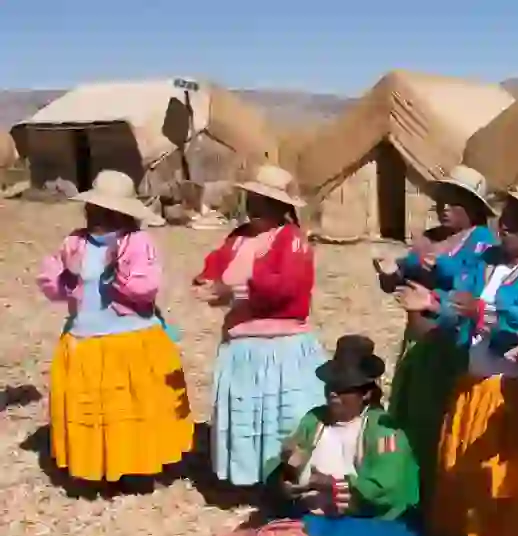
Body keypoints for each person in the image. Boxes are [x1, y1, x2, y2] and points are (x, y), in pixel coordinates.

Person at [395, 175, 518, 536]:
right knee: (466, 472)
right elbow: (458, 297)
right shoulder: (489, 259)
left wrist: (479, 311)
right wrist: (431, 302)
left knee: (509, 480)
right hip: (477, 383)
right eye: (507, 213)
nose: (506, 223)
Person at [37, 170, 193, 486]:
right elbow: (52, 281)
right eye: (94, 209)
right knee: (97, 409)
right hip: (85, 337)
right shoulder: (75, 241)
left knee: (131, 405)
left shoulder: (136, 242)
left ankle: (138, 468)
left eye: (105, 210)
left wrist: (115, 270)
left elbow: (145, 288)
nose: (97, 215)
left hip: (130, 336)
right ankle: (98, 467)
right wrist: (67, 276)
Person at [374, 165, 497, 523]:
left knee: (435, 422)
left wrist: (440, 272)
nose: (444, 207)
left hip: (448, 346)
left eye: (455, 201)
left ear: (473, 206)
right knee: (407, 414)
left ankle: (432, 503)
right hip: (415, 342)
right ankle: (406, 493)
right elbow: (398, 283)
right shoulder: (429, 238)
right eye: (442, 199)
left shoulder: (483, 245)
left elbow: (475, 294)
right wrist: (390, 273)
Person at [194, 165, 325, 487]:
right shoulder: (238, 237)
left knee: (283, 415)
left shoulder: (292, 241)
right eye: (252, 197)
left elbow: (286, 288)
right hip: (243, 341)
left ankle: (286, 478)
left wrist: (232, 289)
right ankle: (250, 477)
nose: (254, 205)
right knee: (248, 413)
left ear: (282, 207)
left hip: (280, 344)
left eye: (263, 200)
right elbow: (217, 266)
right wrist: (206, 282)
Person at [271, 334, 424, 536]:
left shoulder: (383, 430)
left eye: (343, 389)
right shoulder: (314, 420)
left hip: (366, 522)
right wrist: (286, 477)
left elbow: (384, 488)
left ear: (365, 394)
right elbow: (292, 458)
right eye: (331, 386)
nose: (333, 393)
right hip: (311, 516)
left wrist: (329, 484)